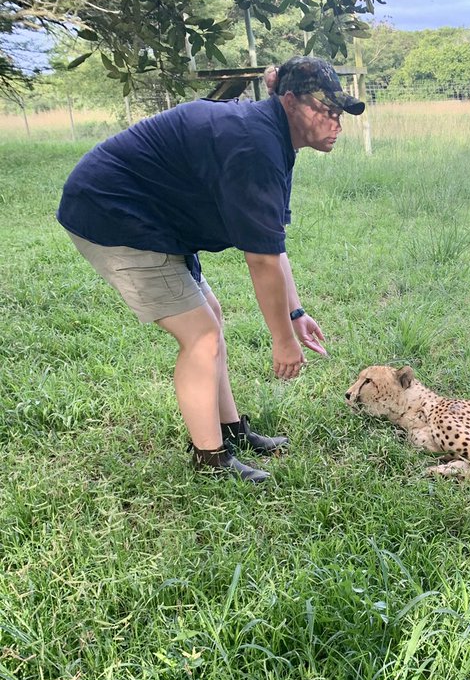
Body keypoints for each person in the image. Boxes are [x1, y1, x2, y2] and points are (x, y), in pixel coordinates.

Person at [57, 57, 365, 482]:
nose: (336, 122)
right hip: (113, 214)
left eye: (340, 112)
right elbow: (259, 260)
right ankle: (211, 462)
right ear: (289, 101)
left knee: (211, 319)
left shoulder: (273, 139)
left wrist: (295, 315)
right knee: (200, 336)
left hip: (154, 218)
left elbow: (271, 245)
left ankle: (231, 432)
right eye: (325, 109)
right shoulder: (256, 145)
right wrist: (282, 341)